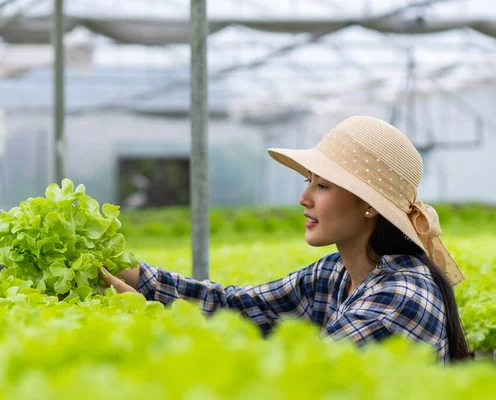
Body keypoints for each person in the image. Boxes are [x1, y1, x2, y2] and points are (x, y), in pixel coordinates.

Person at [99, 115, 471, 364]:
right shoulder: (336, 273)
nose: (304, 198)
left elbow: (300, 376)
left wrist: (161, 325)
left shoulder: (404, 296)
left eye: (322, 185)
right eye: (307, 181)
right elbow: (237, 307)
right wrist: (135, 276)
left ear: (369, 206)